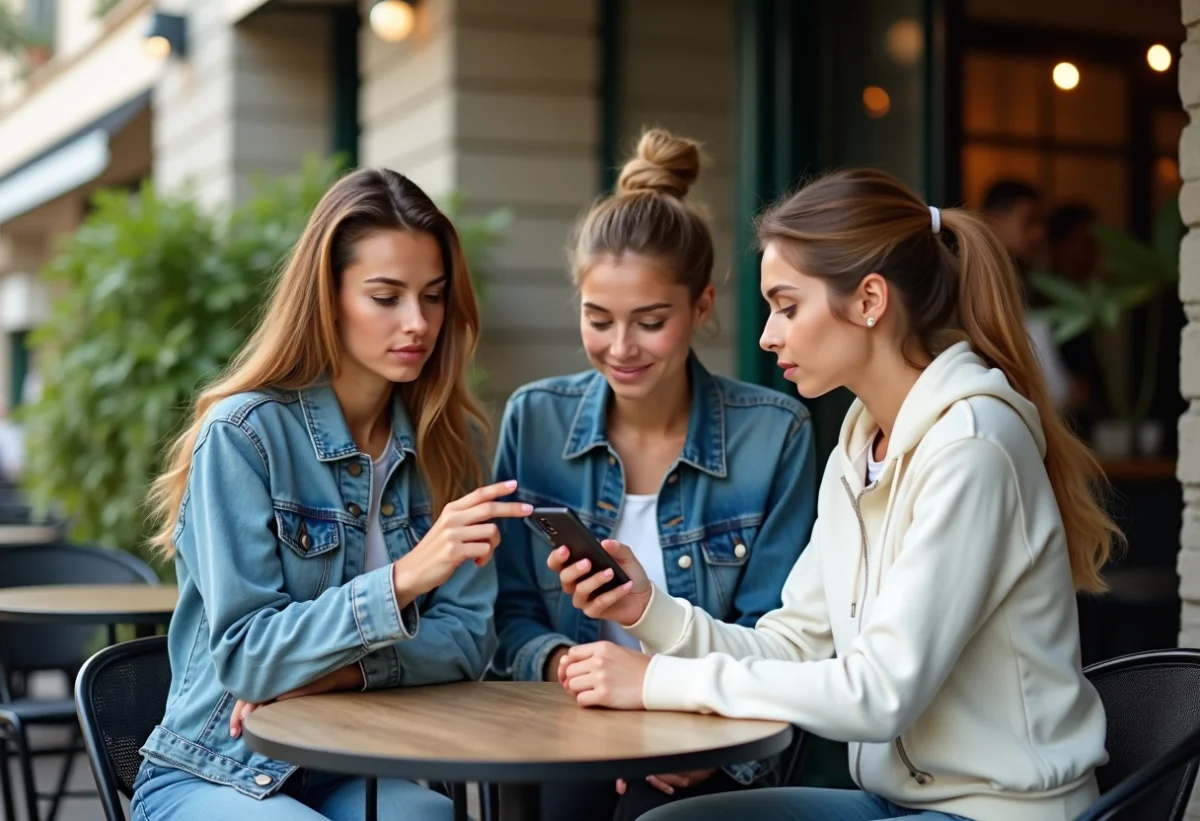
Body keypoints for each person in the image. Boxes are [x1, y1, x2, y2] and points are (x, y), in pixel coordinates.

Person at [550, 168, 1119, 821]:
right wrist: (649, 609)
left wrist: (657, 681)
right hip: (898, 799)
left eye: (788, 306)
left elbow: (878, 691)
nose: (768, 335)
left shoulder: (973, 446)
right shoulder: (860, 447)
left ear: (870, 300)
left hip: (1002, 811)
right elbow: (794, 641)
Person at [131, 168, 532, 821]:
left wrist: (342, 672)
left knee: (430, 817)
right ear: (328, 296)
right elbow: (248, 657)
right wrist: (403, 579)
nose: (417, 322)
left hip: (353, 764)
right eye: (386, 296)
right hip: (216, 769)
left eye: (432, 296)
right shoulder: (244, 436)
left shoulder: (449, 443)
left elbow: (466, 642)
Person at [491, 129, 817, 821]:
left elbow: (777, 632)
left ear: (702, 306)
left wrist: (709, 741)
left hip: (707, 727)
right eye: (597, 318)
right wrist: (565, 668)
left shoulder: (773, 432)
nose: (620, 347)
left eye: (650, 321)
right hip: (565, 724)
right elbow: (509, 612)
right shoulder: (535, 421)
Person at [981, 180, 1071, 412]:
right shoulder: (973, 282)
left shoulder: (1032, 281)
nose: (1040, 233)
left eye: (1042, 223)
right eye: (1030, 221)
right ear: (994, 220)